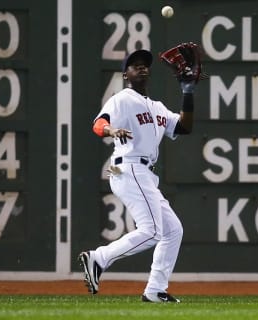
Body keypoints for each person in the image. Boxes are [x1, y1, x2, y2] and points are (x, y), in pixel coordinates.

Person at [79, 48, 197, 303]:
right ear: (126, 74)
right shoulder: (123, 99)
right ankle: (99, 258)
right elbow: (98, 123)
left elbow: (184, 127)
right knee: (153, 231)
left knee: (173, 230)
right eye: (135, 65)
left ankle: (155, 289)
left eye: (144, 64)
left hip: (142, 172)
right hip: (127, 166)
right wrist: (111, 130)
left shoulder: (157, 107)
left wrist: (188, 91)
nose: (141, 67)